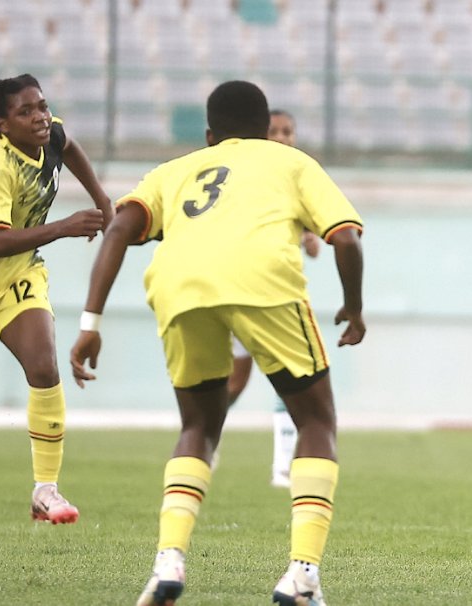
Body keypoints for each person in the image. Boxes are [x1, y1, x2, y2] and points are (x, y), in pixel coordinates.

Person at [69, 81, 365, 606]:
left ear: (209, 135)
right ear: (266, 128)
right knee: (316, 422)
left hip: (178, 286)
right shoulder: (290, 162)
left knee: (198, 426)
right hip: (263, 283)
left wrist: (90, 322)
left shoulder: (174, 170)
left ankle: (168, 560)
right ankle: (301, 575)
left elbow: (117, 230)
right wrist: (353, 307)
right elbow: (344, 237)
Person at [0, 74, 112, 524]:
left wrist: (102, 198)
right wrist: (63, 227)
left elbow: (68, 144)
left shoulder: (48, 131)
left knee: (43, 366)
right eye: (25, 111)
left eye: (42, 105)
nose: (39, 117)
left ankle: (45, 491)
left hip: (18, 274)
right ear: (1, 124)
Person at [226, 108, 321, 489]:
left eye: (288, 131)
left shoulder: (301, 175)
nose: (282, 138)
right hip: (242, 289)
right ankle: (205, 439)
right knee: (235, 381)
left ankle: (283, 466)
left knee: (290, 380)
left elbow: (313, 244)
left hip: (281, 295)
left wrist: (309, 236)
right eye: (274, 131)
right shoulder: (247, 176)